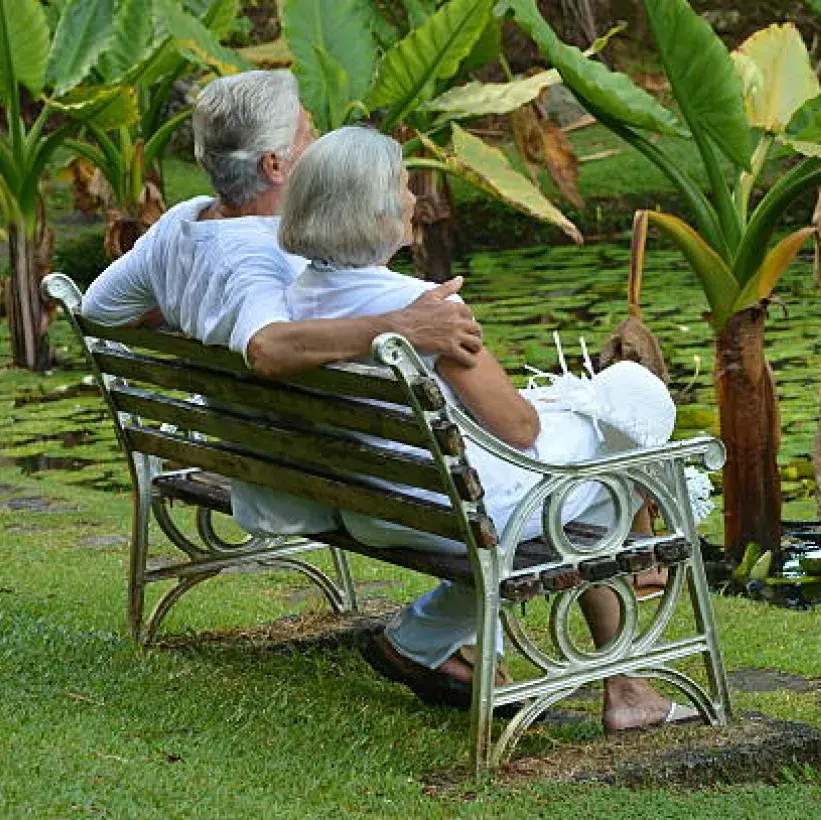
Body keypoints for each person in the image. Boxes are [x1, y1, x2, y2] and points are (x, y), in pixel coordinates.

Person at [269, 125, 695, 732]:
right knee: (625, 438)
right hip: (450, 506)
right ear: (375, 211)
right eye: (403, 186)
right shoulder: (426, 308)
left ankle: (619, 684)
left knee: (603, 471)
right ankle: (627, 685)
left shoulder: (293, 302)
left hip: (373, 502)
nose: (415, 199)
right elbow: (519, 429)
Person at [82, 70, 482, 381]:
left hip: (252, 455)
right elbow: (266, 348)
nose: (322, 142)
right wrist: (400, 327)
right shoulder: (267, 253)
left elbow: (98, 309)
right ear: (274, 165)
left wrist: (196, 312)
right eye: (310, 134)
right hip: (320, 470)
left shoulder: (180, 222)